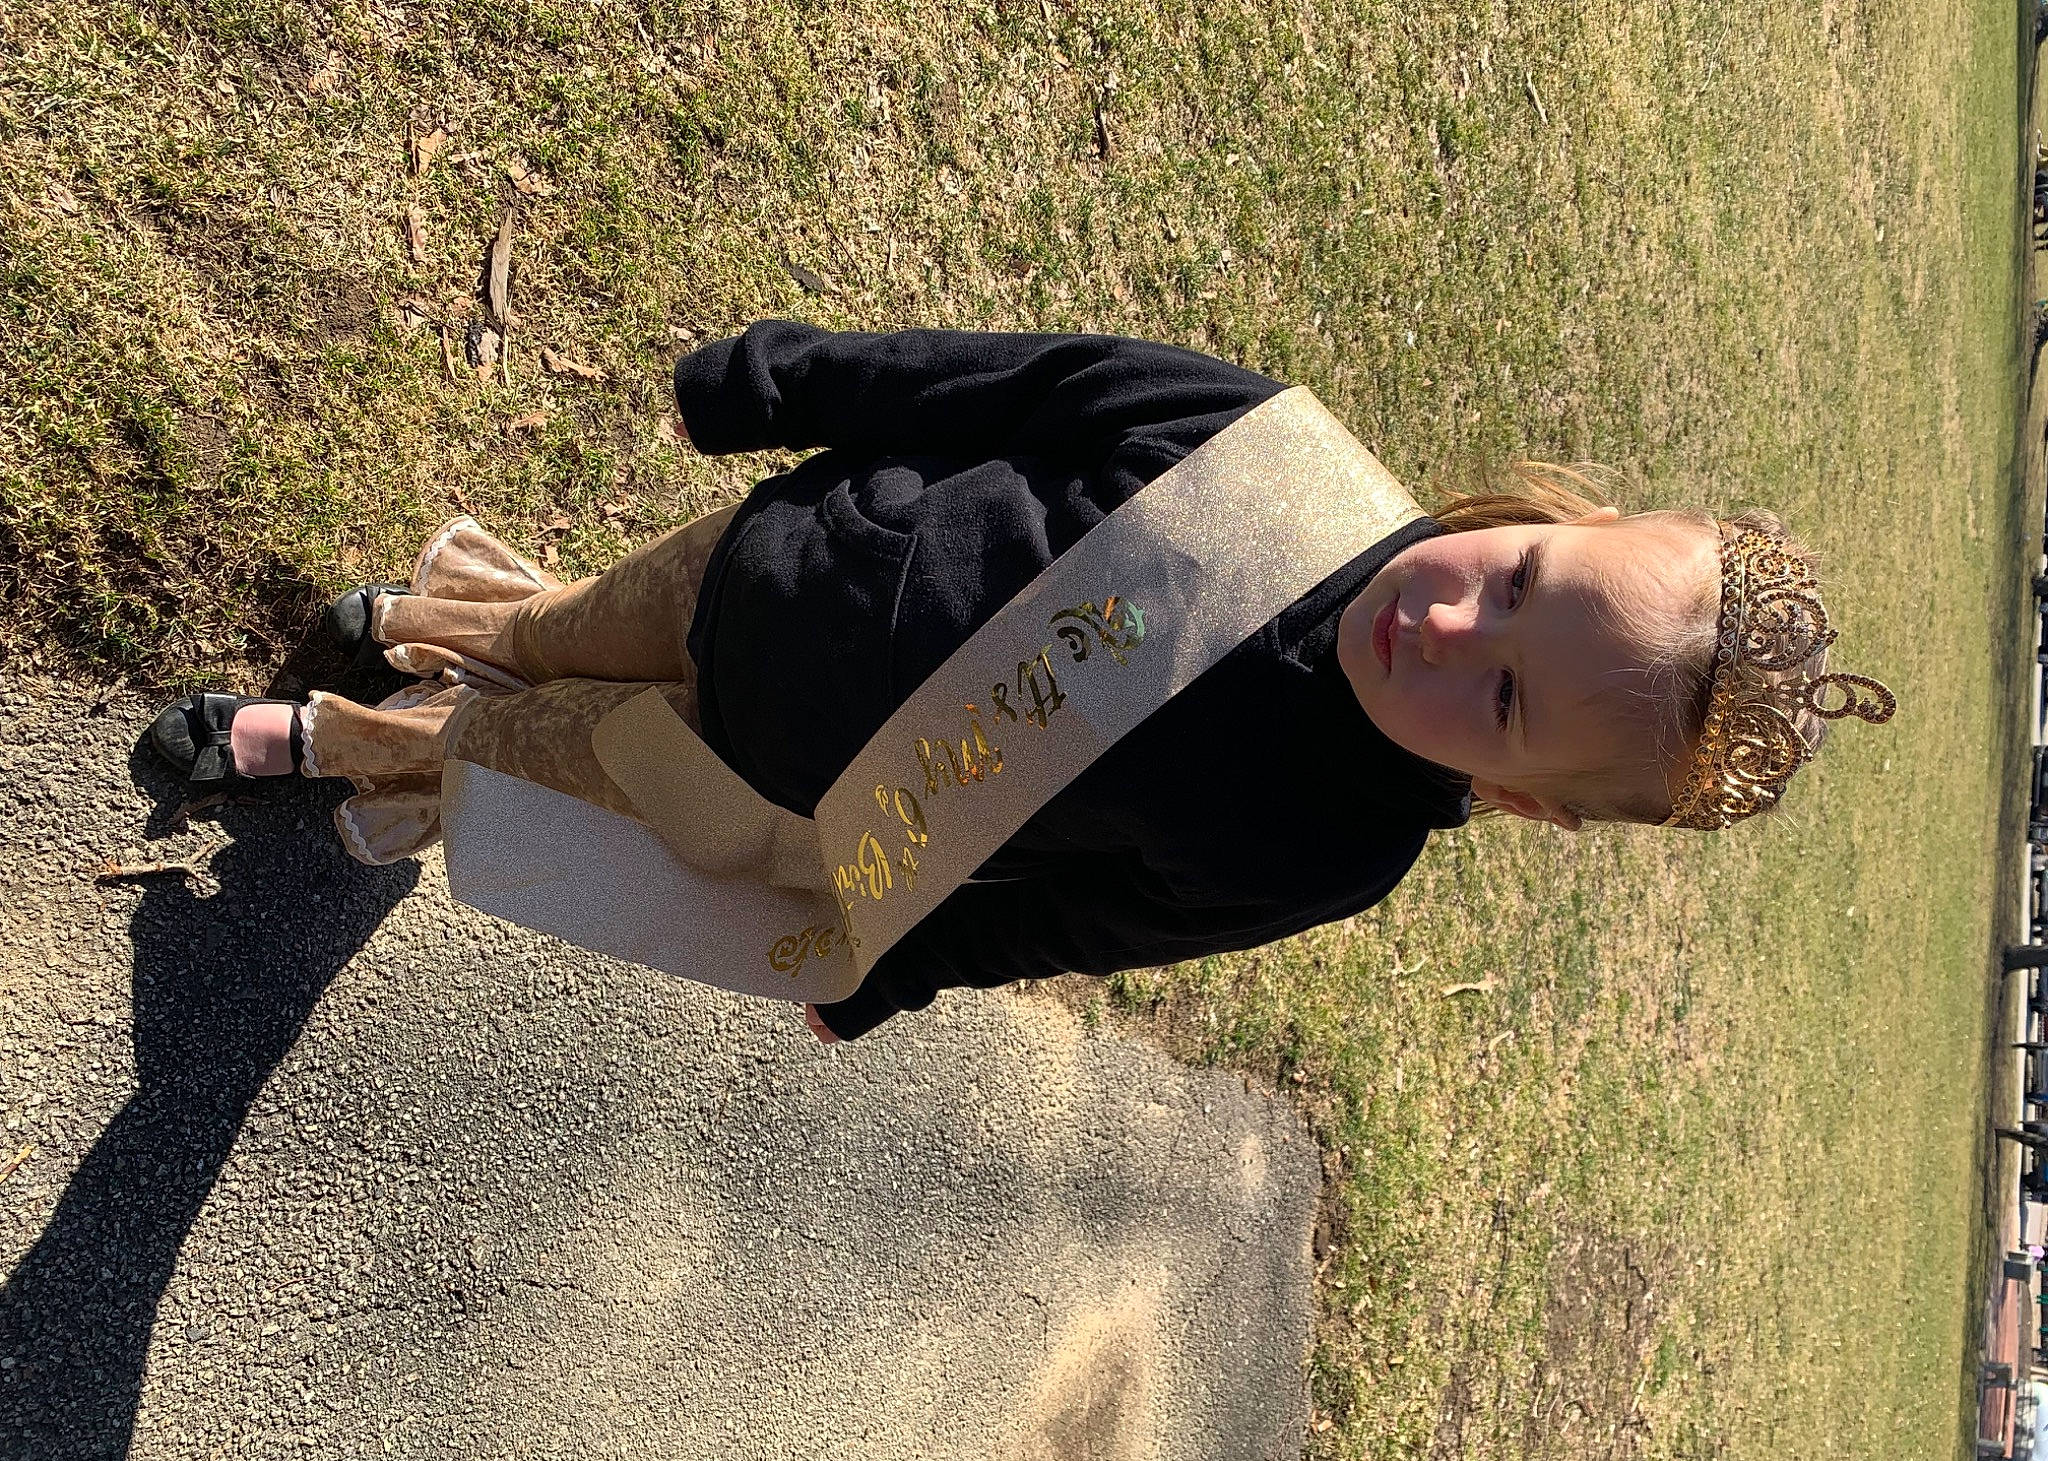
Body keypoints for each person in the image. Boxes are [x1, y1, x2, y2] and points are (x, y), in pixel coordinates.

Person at [146, 323, 1894, 1042]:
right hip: (765, 564)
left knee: (518, 764)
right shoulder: (1265, 450)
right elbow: (1011, 383)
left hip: (777, 798)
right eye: (1514, 583)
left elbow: (1079, 914)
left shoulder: (1319, 853)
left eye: (1504, 700)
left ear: (1512, 797)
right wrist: (784, 380)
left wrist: (896, 975)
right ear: (1541, 520)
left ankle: (338, 740)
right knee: (566, 636)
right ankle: (476, 622)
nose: (1449, 630)